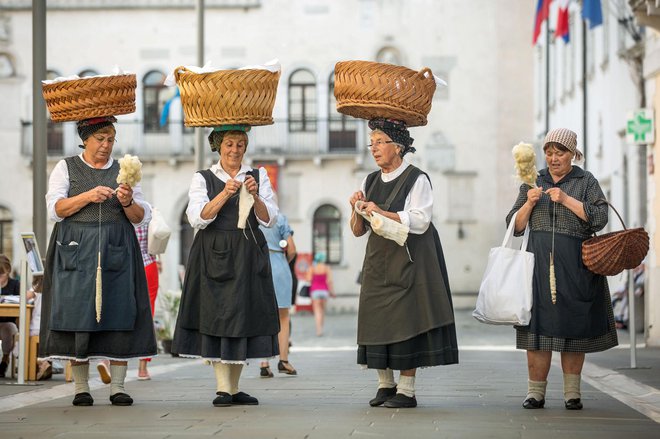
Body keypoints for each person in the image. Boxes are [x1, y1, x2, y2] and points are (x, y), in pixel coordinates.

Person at [40, 116, 157, 406]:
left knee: (119, 310)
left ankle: (118, 387)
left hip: (117, 246)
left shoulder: (123, 170)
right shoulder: (66, 167)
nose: (106, 145)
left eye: (110, 139)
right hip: (76, 248)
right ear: (85, 139)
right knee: (77, 313)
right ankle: (81, 387)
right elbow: (56, 209)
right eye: (100, 139)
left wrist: (128, 202)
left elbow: (142, 218)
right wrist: (88, 196)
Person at [349, 118, 459, 409]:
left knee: (407, 321)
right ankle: (385, 385)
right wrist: (355, 209)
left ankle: (406, 390)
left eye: (379, 142)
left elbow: (421, 221)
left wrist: (382, 211)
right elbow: (359, 230)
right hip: (377, 260)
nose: (373, 149)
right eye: (371, 143)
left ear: (397, 147)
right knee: (375, 318)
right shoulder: (369, 181)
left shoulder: (417, 178)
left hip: (410, 259)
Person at [506, 128, 617, 411]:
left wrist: (566, 200)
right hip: (538, 262)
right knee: (537, 330)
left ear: (573, 154)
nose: (554, 158)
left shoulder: (585, 181)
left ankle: (572, 394)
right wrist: (529, 204)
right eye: (549, 152)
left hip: (576, 263)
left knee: (573, 329)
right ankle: (535, 393)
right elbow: (514, 226)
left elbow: (600, 218)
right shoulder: (532, 179)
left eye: (560, 153)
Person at [172, 125, 280, 407]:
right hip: (213, 253)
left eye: (241, 144)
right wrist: (224, 194)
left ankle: (233, 388)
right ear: (219, 146)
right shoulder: (203, 178)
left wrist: (255, 196)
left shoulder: (258, 175)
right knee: (217, 316)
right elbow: (197, 217)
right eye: (230, 144)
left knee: (243, 316)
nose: (235, 150)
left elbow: (271, 220)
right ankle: (222, 387)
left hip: (248, 251)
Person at [259, 213, 298, 377]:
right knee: (283, 316)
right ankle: (283, 361)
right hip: (279, 265)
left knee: (262, 316)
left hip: (259, 268)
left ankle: (264, 363)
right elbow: (292, 249)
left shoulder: (252, 217)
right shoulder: (279, 218)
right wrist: (282, 261)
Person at [135, 222, 160, 380]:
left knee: (116, 310)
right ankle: (142, 369)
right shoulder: (148, 211)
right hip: (148, 264)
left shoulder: (115, 211)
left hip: (123, 265)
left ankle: (108, 361)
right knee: (148, 313)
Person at [305, 252, 334, 337]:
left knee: (317, 311)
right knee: (322, 311)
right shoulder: (327, 268)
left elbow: (308, 279)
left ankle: (319, 330)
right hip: (324, 291)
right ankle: (321, 327)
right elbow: (329, 281)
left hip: (315, 291)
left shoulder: (312, 268)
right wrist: (332, 292)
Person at [0, 254, 19, 377]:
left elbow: (22, 301)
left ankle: (5, 359)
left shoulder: (15, 284)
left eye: (1, 275)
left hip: (8, 323)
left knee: (7, 329)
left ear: (8, 272)